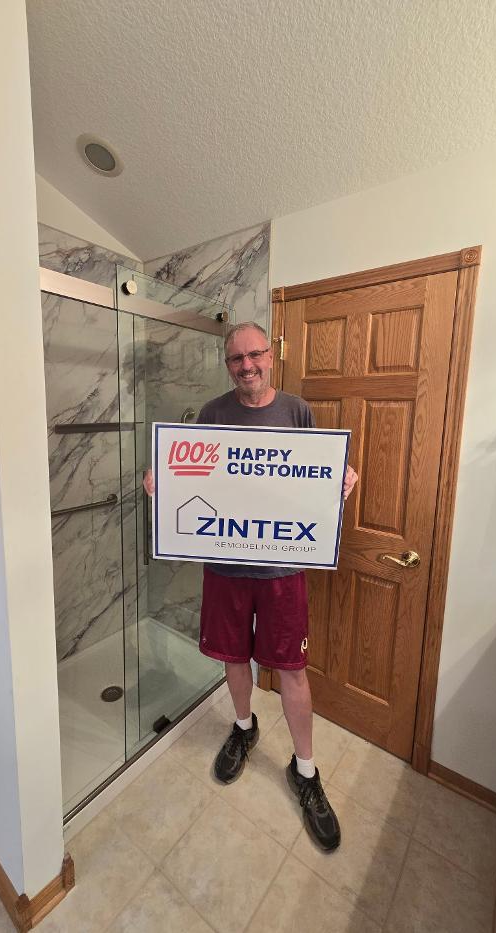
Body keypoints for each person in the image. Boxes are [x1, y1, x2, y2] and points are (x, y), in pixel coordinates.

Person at [144, 321, 357, 851]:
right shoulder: (213, 414)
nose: (247, 366)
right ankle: (244, 727)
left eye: (255, 355)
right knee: (234, 657)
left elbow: (313, 480)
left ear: (270, 355)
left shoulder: (297, 412)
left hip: (282, 570)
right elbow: (193, 477)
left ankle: (305, 770)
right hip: (226, 567)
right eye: (237, 359)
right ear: (228, 365)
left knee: (292, 668)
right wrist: (161, 482)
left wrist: (342, 479)